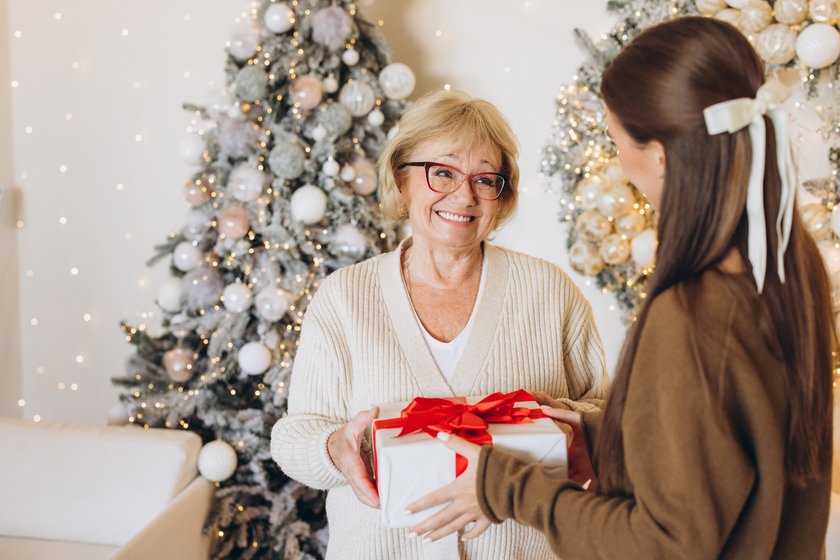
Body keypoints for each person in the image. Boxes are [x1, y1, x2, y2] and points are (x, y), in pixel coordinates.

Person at [407, 17, 836, 559]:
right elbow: (731, 449)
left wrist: (508, 486)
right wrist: (612, 439)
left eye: (614, 140)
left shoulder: (691, 311)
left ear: (658, 154)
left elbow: (664, 545)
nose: (618, 162)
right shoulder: (789, 270)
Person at [270, 89, 609, 559]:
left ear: (501, 194)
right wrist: (334, 447)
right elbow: (293, 436)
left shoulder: (551, 291)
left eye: (484, 179)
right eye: (442, 172)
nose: (464, 196)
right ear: (400, 177)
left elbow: (612, 420)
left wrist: (572, 426)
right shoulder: (345, 298)